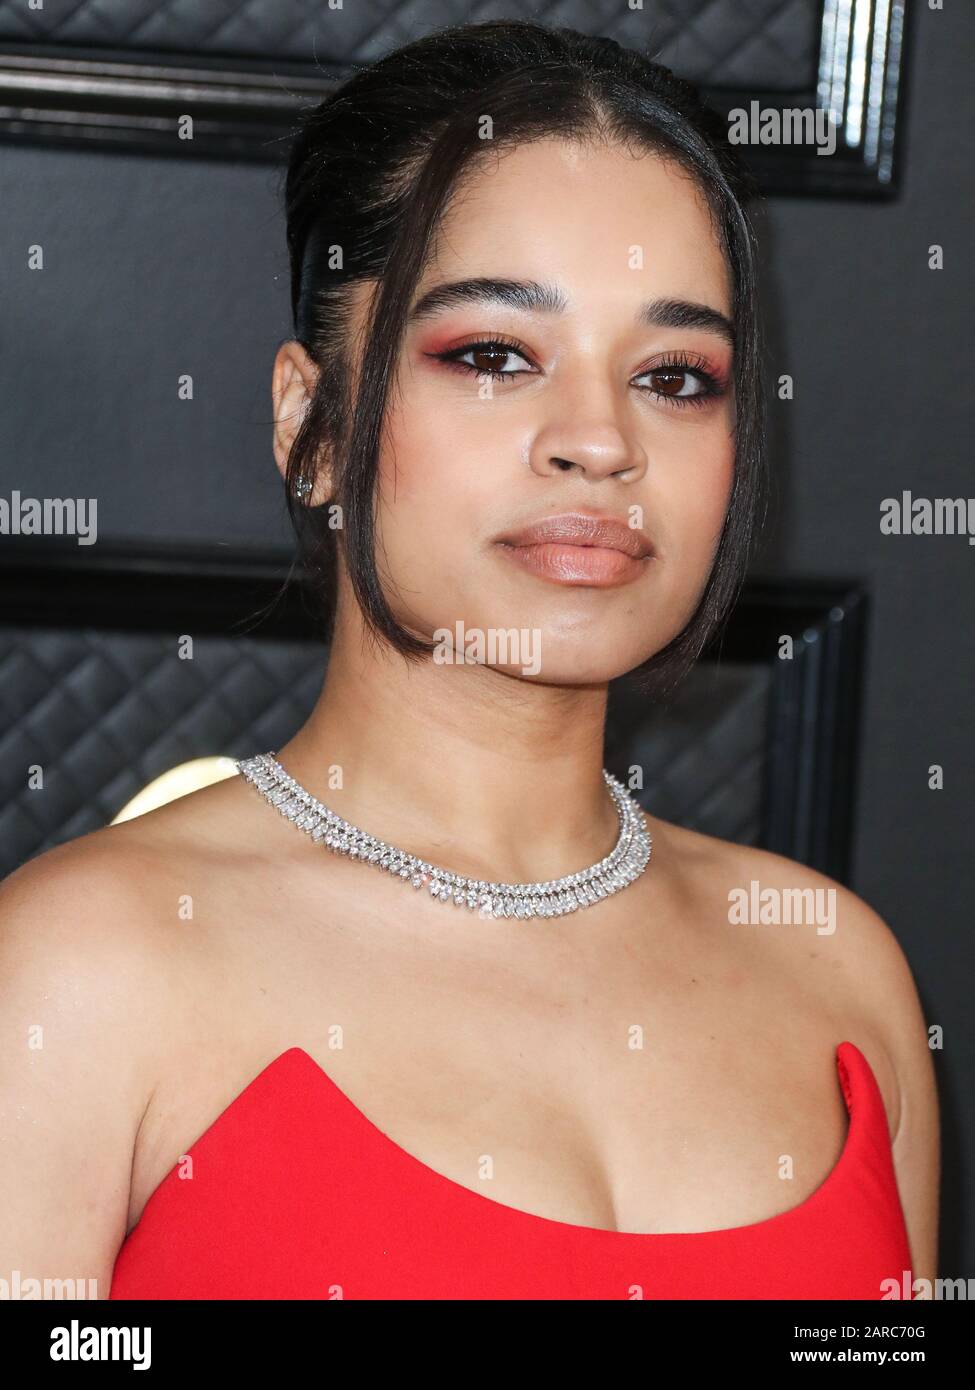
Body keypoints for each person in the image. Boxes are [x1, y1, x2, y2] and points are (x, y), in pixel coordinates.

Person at [0, 19, 938, 1300]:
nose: (600, 442)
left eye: (675, 376)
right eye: (493, 355)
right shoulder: (76, 970)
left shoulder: (841, 972)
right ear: (311, 424)